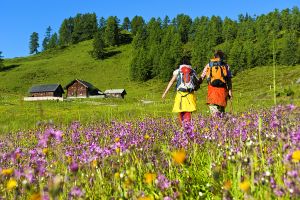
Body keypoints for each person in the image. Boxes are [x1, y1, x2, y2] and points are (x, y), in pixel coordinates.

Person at [162, 57, 199, 125]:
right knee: (188, 111)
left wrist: (165, 93)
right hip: (190, 94)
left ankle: (182, 126)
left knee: (181, 111)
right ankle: (188, 126)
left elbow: (171, 82)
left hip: (180, 94)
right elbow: (196, 82)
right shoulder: (192, 71)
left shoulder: (178, 71)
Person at [199, 50, 233, 115]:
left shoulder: (209, 65)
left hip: (212, 90)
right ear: (222, 57)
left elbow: (202, 76)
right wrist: (230, 92)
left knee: (213, 111)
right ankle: (222, 122)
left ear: (214, 57)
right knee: (222, 110)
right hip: (222, 90)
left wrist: (197, 84)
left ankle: (215, 122)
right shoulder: (226, 66)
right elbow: (229, 80)